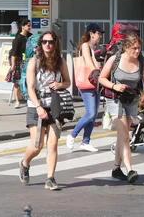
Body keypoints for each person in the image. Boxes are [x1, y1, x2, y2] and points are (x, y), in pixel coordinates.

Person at [98, 32, 144, 184]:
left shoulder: (141, 62)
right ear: (126, 47)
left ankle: (116, 169)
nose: (137, 51)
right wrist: (114, 86)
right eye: (134, 48)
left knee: (122, 135)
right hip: (114, 99)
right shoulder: (115, 59)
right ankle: (130, 169)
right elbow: (101, 78)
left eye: (139, 48)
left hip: (131, 100)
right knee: (124, 134)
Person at [18, 31, 70, 191]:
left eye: (51, 42)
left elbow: (68, 82)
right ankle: (25, 163)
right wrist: (39, 108)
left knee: (52, 145)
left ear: (56, 44)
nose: (48, 45)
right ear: (41, 44)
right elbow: (31, 89)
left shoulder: (60, 62)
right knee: (37, 145)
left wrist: (60, 85)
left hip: (54, 105)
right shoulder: (34, 62)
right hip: (36, 105)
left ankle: (50, 178)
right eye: (45, 42)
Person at [67, 23, 104, 152]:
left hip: (95, 83)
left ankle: (85, 142)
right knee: (91, 113)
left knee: (93, 116)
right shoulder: (85, 46)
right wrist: (98, 73)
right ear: (91, 33)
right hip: (88, 83)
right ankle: (72, 135)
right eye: (99, 33)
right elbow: (89, 63)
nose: (100, 36)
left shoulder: (95, 47)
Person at [9, 19, 31, 109]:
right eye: (28, 26)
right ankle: (17, 101)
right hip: (18, 61)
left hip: (28, 60)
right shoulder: (18, 39)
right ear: (23, 26)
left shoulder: (30, 37)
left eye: (30, 25)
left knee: (29, 80)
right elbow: (13, 54)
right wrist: (13, 65)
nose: (30, 27)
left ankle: (30, 99)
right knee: (17, 82)